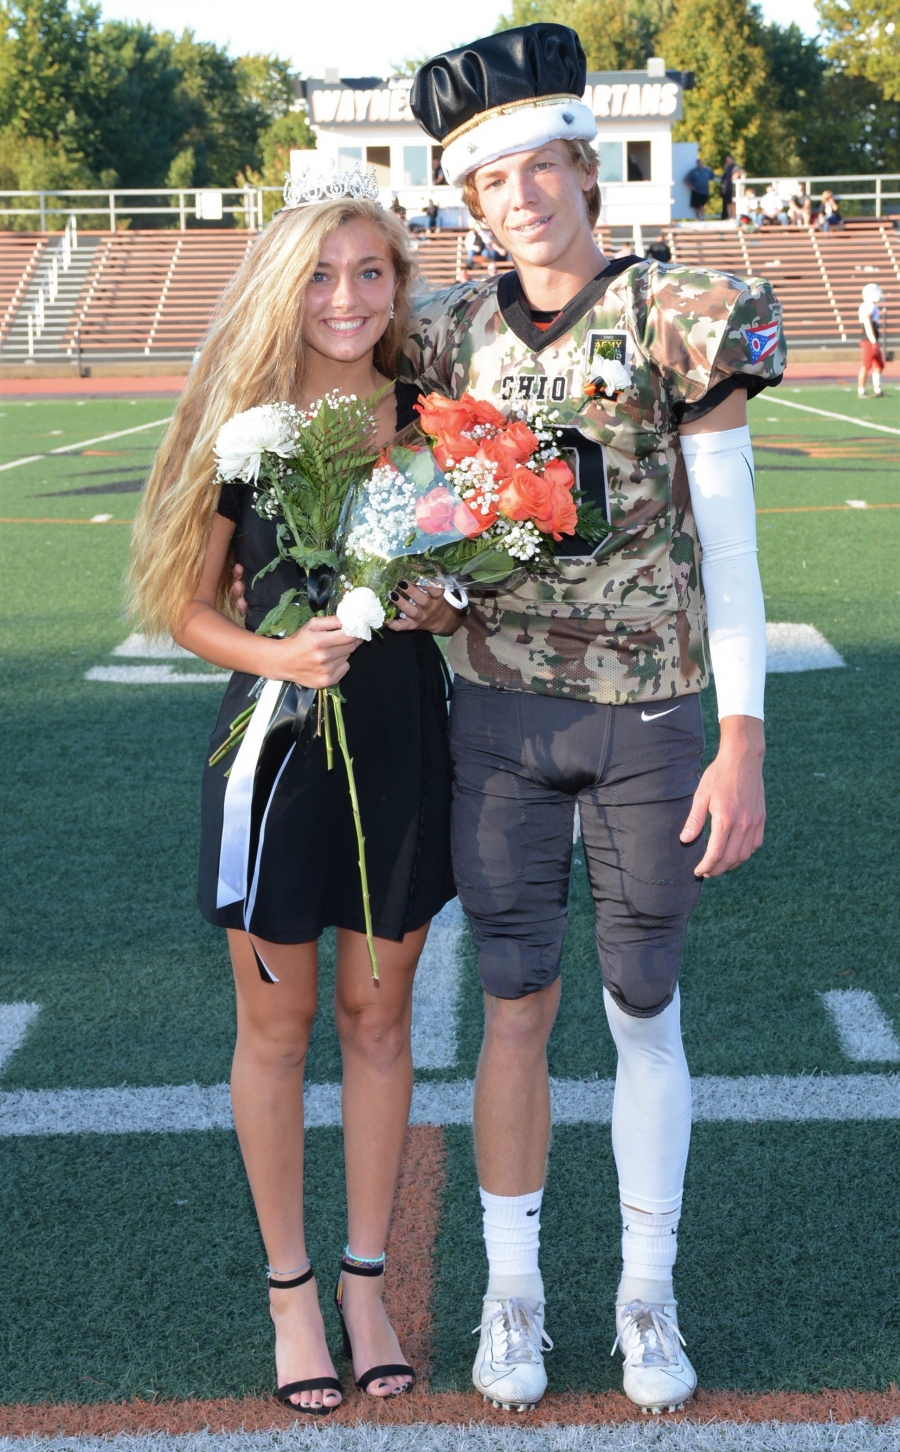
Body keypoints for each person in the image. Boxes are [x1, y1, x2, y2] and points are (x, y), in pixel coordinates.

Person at [399, 22, 782, 1416]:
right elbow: (426, 525)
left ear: (584, 167)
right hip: (498, 716)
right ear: (470, 202)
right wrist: (425, 591)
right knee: (513, 1007)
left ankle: (644, 1291)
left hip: (653, 716)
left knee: (640, 1007)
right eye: (490, 182)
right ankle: (514, 1298)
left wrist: (744, 738)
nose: (520, 197)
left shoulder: (680, 313)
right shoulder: (443, 331)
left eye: (539, 167)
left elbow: (730, 549)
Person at [129, 184, 456, 1415]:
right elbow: (184, 602)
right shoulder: (240, 418)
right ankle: (292, 1298)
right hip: (274, 755)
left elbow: (459, 573)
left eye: (370, 273)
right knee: (279, 1025)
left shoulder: (432, 416)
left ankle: (367, 1283)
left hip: (402, 747)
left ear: (398, 286)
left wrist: (443, 603)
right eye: (321, 274)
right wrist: (282, 655)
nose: (347, 298)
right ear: (284, 284)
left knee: (380, 1020)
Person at [858, 282, 885, 396]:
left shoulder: (872, 305)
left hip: (872, 339)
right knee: (866, 365)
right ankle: (861, 390)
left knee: (879, 365)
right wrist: (873, 340)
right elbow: (868, 323)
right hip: (868, 340)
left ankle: (877, 389)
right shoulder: (868, 305)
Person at [720, 155, 737, 221]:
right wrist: (724, 188)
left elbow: (742, 171)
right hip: (727, 189)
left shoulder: (735, 167)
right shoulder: (727, 169)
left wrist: (737, 173)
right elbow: (724, 179)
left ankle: (733, 216)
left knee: (733, 202)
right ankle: (729, 216)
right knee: (728, 203)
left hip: (733, 189)